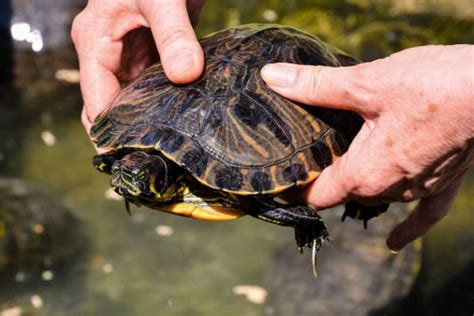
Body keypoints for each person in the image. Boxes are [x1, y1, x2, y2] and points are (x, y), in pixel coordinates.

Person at [71, 0, 474, 252]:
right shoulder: (132, 157)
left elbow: (260, 198)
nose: (125, 174)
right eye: (132, 173)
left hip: (299, 81)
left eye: (132, 173)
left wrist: (462, 97)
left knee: (322, 198)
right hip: (195, 79)